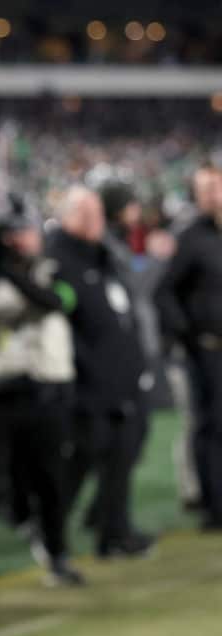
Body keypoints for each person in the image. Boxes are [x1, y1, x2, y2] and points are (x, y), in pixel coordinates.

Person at [0, 218, 82, 598]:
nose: (21, 242)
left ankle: (57, 554)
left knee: (48, 479)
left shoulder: (50, 270)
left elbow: (56, 301)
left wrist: (7, 272)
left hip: (41, 391)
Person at [46, 186, 155, 557]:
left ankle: (114, 532)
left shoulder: (102, 256)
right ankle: (50, 535)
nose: (98, 222)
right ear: (69, 216)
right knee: (79, 461)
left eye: (98, 214)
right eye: (88, 215)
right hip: (86, 384)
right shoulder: (57, 259)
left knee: (122, 456)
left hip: (122, 378)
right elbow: (63, 323)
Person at [154, 166, 222, 529]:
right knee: (210, 427)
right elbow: (163, 291)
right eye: (205, 189)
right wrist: (188, 335)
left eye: (217, 187)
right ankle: (214, 508)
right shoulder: (191, 238)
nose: (213, 195)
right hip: (208, 349)